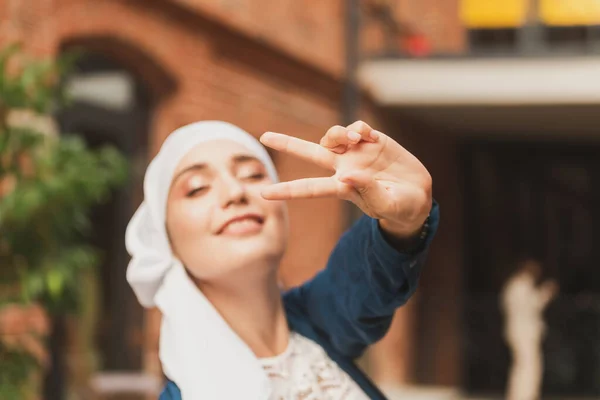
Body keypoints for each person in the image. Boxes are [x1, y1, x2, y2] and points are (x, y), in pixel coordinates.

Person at [125, 120, 439, 399]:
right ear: (167, 242)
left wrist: (403, 222)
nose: (235, 191)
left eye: (253, 174)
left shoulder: (320, 322)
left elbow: (363, 275)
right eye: (197, 189)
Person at [501, 259, 558, 400]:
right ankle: (523, 396)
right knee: (528, 366)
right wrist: (546, 293)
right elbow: (533, 305)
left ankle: (521, 395)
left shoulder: (515, 285)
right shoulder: (520, 286)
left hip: (521, 332)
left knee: (524, 365)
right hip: (523, 333)